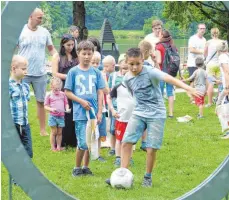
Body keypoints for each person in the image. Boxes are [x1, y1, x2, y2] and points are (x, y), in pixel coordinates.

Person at [106, 48, 201, 187]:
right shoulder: (127, 78)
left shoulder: (150, 72)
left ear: (142, 61)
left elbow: (168, 78)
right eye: (131, 64)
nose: (134, 67)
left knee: (151, 148)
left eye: (137, 64)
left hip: (156, 114)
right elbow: (134, 94)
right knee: (126, 142)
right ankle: (122, 175)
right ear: (126, 62)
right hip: (139, 112)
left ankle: (147, 177)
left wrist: (188, 88)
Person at [64, 40, 105, 176]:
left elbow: (100, 92)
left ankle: (86, 167)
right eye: (84, 54)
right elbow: (68, 91)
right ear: (78, 54)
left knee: (91, 140)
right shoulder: (73, 72)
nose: (87, 57)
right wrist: (81, 101)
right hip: (80, 112)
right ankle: (77, 167)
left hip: (93, 113)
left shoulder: (96, 72)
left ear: (93, 54)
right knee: (82, 142)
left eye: (89, 54)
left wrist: (100, 111)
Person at [18, 8, 57, 136]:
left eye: (42, 17)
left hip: (40, 73)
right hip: (22, 73)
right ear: (30, 16)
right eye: (39, 17)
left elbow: (51, 49)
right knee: (20, 101)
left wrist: (58, 58)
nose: (41, 20)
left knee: (41, 101)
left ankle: (42, 130)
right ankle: (20, 128)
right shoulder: (20, 31)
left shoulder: (44, 32)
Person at [52, 34, 78, 147]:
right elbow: (54, 73)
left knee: (73, 112)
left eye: (72, 44)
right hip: (62, 87)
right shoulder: (57, 56)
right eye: (68, 45)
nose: (70, 47)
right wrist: (68, 76)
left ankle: (73, 140)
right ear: (63, 44)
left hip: (75, 87)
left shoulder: (76, 56)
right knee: (64, 113)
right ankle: (62, 140)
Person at [109, 62, 135, 166]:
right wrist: (112, 110)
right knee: (119, 139)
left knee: (130, 140)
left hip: (133, 119)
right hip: (121, 119)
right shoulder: (118, 87)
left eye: (128, 69)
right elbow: (109, 97)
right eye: (124, 69)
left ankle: (130, 157)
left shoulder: (136, 87)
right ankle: (118, 157)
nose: (126, 71)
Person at [9, 55, 33, 158]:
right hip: (13, 125)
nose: (26, 71)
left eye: (26, 69)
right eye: (23, 69)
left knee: (28, 153)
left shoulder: (26, 86)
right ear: (14, 69)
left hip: (25, 124)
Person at [156, 30, 178, 118]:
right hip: (171, 72)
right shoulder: (173, 46)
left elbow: (159, 61)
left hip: (162, 72)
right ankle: (171, 113)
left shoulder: (158, 46)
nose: (158, 35)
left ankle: (161, 112)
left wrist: (153, 59)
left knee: (160, 92)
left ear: (162, 36)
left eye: (159, 34)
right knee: (170, 92)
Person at [44, 77, 71, 151]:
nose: (57, 91)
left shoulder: (63, 94)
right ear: (51, 87)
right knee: (54, 132)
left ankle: (58, 147)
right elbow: (45, 106)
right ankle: (52, 147)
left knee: (59, 132)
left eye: (59, 89)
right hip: (53, 116)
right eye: (55, 89)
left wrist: (67, 108)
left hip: (61, 117)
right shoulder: (49, 95)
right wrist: (51, 109)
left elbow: (66, 103)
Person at [187, 23, 206, 103]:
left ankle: (198, 96)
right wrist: (202, 52)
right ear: (197, 29)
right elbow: (191, 49)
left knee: (200, 81)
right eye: (201, 28)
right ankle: (191, 98)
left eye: (204, 28)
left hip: (201, 64)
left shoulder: (204, 40)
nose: (202, 30)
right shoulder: (193, 38)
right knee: (192, 81)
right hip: (192, 63)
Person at [204, 28, 222, 107]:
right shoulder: (222, 42)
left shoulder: (208, 42)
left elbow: (205, 53)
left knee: (210, 83)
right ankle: (219, 101)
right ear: (218, 33)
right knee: (220, 83)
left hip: (210, 64)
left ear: (211, 33)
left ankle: (210, 102)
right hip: (219, 64)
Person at [216, 41, 229, 139]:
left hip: (228, 86)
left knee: (222, 107)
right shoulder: (227, 55)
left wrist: (227, 86)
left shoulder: (222, 57)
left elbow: (226, 71)